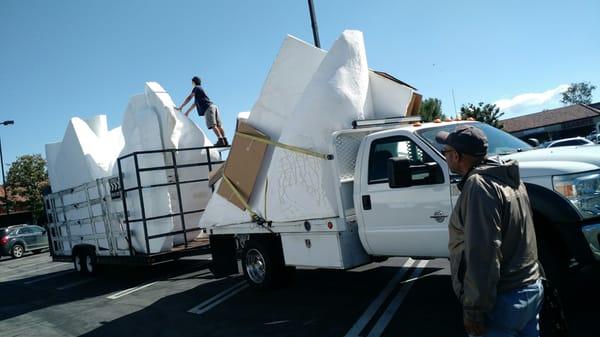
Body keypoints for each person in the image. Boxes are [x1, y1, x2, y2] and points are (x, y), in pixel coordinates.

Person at [436, 125, 543, 337]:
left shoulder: (479, 186)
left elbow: (483, 253)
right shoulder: (507, 177)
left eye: (446, 152)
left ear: (457, 156)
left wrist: (474, 310)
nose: (445, 156)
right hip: (530, 288)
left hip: (504, 300)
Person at [177, 76, 228, 146]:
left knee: (213, 125)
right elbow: (194, 104)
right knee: (219, 125)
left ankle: (220, 140)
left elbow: (189, 98)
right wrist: (187, 112)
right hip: (214, 107)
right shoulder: (200, 91)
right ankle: (225, 140)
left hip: (208, 108)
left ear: (193, 82)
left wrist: (181, 107)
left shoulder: (196, 88)